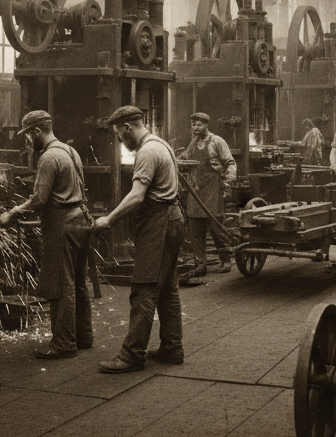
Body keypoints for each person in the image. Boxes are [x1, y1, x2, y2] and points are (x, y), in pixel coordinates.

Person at [92, 106, 186, 372]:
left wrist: (108, 220)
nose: (120, 140)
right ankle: (172, 346)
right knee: (167, 287)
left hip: (160, 224)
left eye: (119, 135)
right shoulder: (161, 144)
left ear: (127, 128)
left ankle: (132, 354)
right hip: (173, 219)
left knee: (144, 289)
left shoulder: (147, 152)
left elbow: (136, 196)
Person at [0, 110, 94, 360]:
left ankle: (63, 343)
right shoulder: (70, 151)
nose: (28, 142)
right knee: (79, 283)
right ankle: (83, 336)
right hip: (82, 220)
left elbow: (40, 199)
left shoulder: (49, 157)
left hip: (64, 225)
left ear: (37, 131)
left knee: (62, 284)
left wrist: (12, 213)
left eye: (28, 136)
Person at [183, 112, 236, 275]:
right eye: (193, 125)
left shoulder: (216, 141)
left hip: (213, 190)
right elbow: (185, 157)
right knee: (195, 227)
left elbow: (230, 162)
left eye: (199, 125)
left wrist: (228, 181)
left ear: (206, 125)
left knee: (215, 224)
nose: (196, 128)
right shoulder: (193, 142)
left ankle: (225, 259)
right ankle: (200, 263)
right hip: (196, 189)